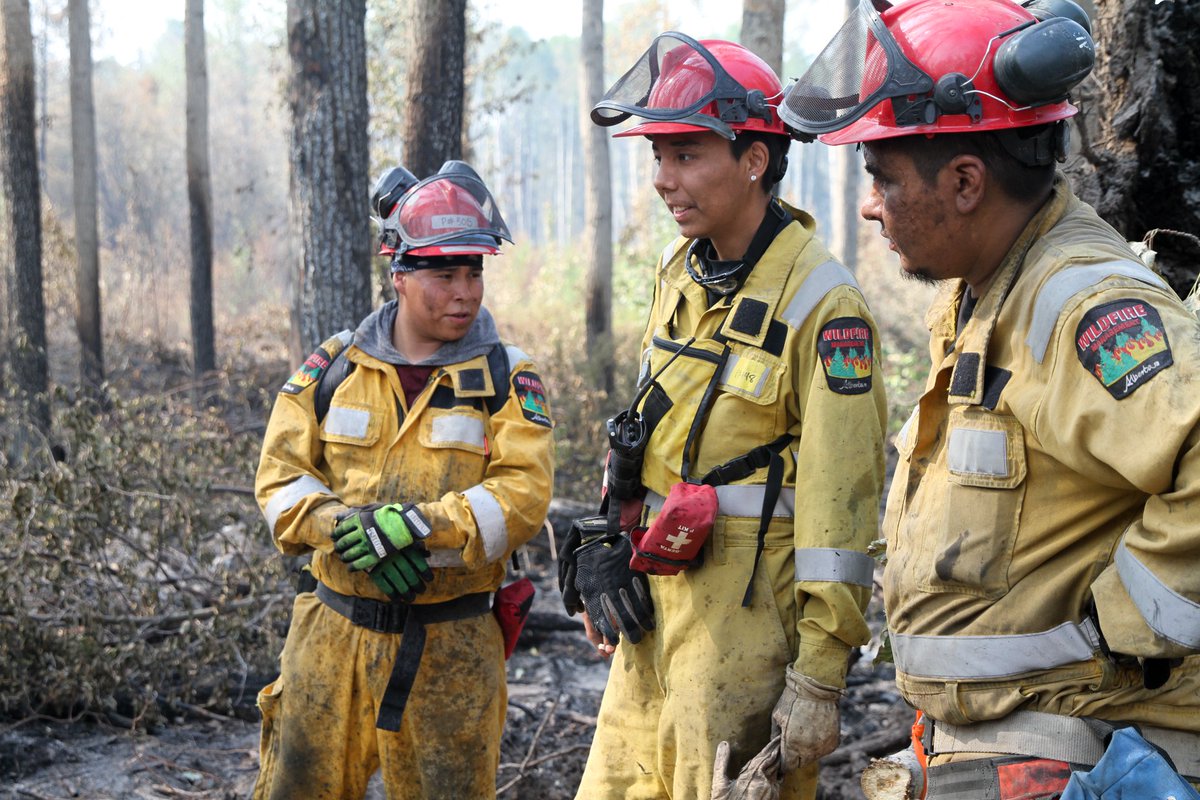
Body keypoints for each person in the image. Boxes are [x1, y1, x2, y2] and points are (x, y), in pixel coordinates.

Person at [779, 0, 1200, 795]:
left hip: (1071, 758)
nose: (871, 205)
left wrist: (1128, 630)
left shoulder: (1077, 305)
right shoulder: (987, 299)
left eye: (883, 177)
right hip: (997, 751)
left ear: (967, 180)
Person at [560, 33, 888, 799]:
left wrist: (818, 676)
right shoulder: (682, 272)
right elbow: (650, 429)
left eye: (686, 155)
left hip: (748, 626)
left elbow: (842, 510)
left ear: (754, 158)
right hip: (657, 603)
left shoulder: (825, 307)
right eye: (657, 158)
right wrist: (615, 531)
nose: (665, 181)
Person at [251, 161, 555, 800]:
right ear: (398, 274)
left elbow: (522, 495)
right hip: (329, 637)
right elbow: (280, 477)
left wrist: (416, 529)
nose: (465, 292)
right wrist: (345, 529)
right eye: (445, 274)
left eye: (474, 272)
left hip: (452, 647)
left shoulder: (506, 377)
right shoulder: (335, 366)